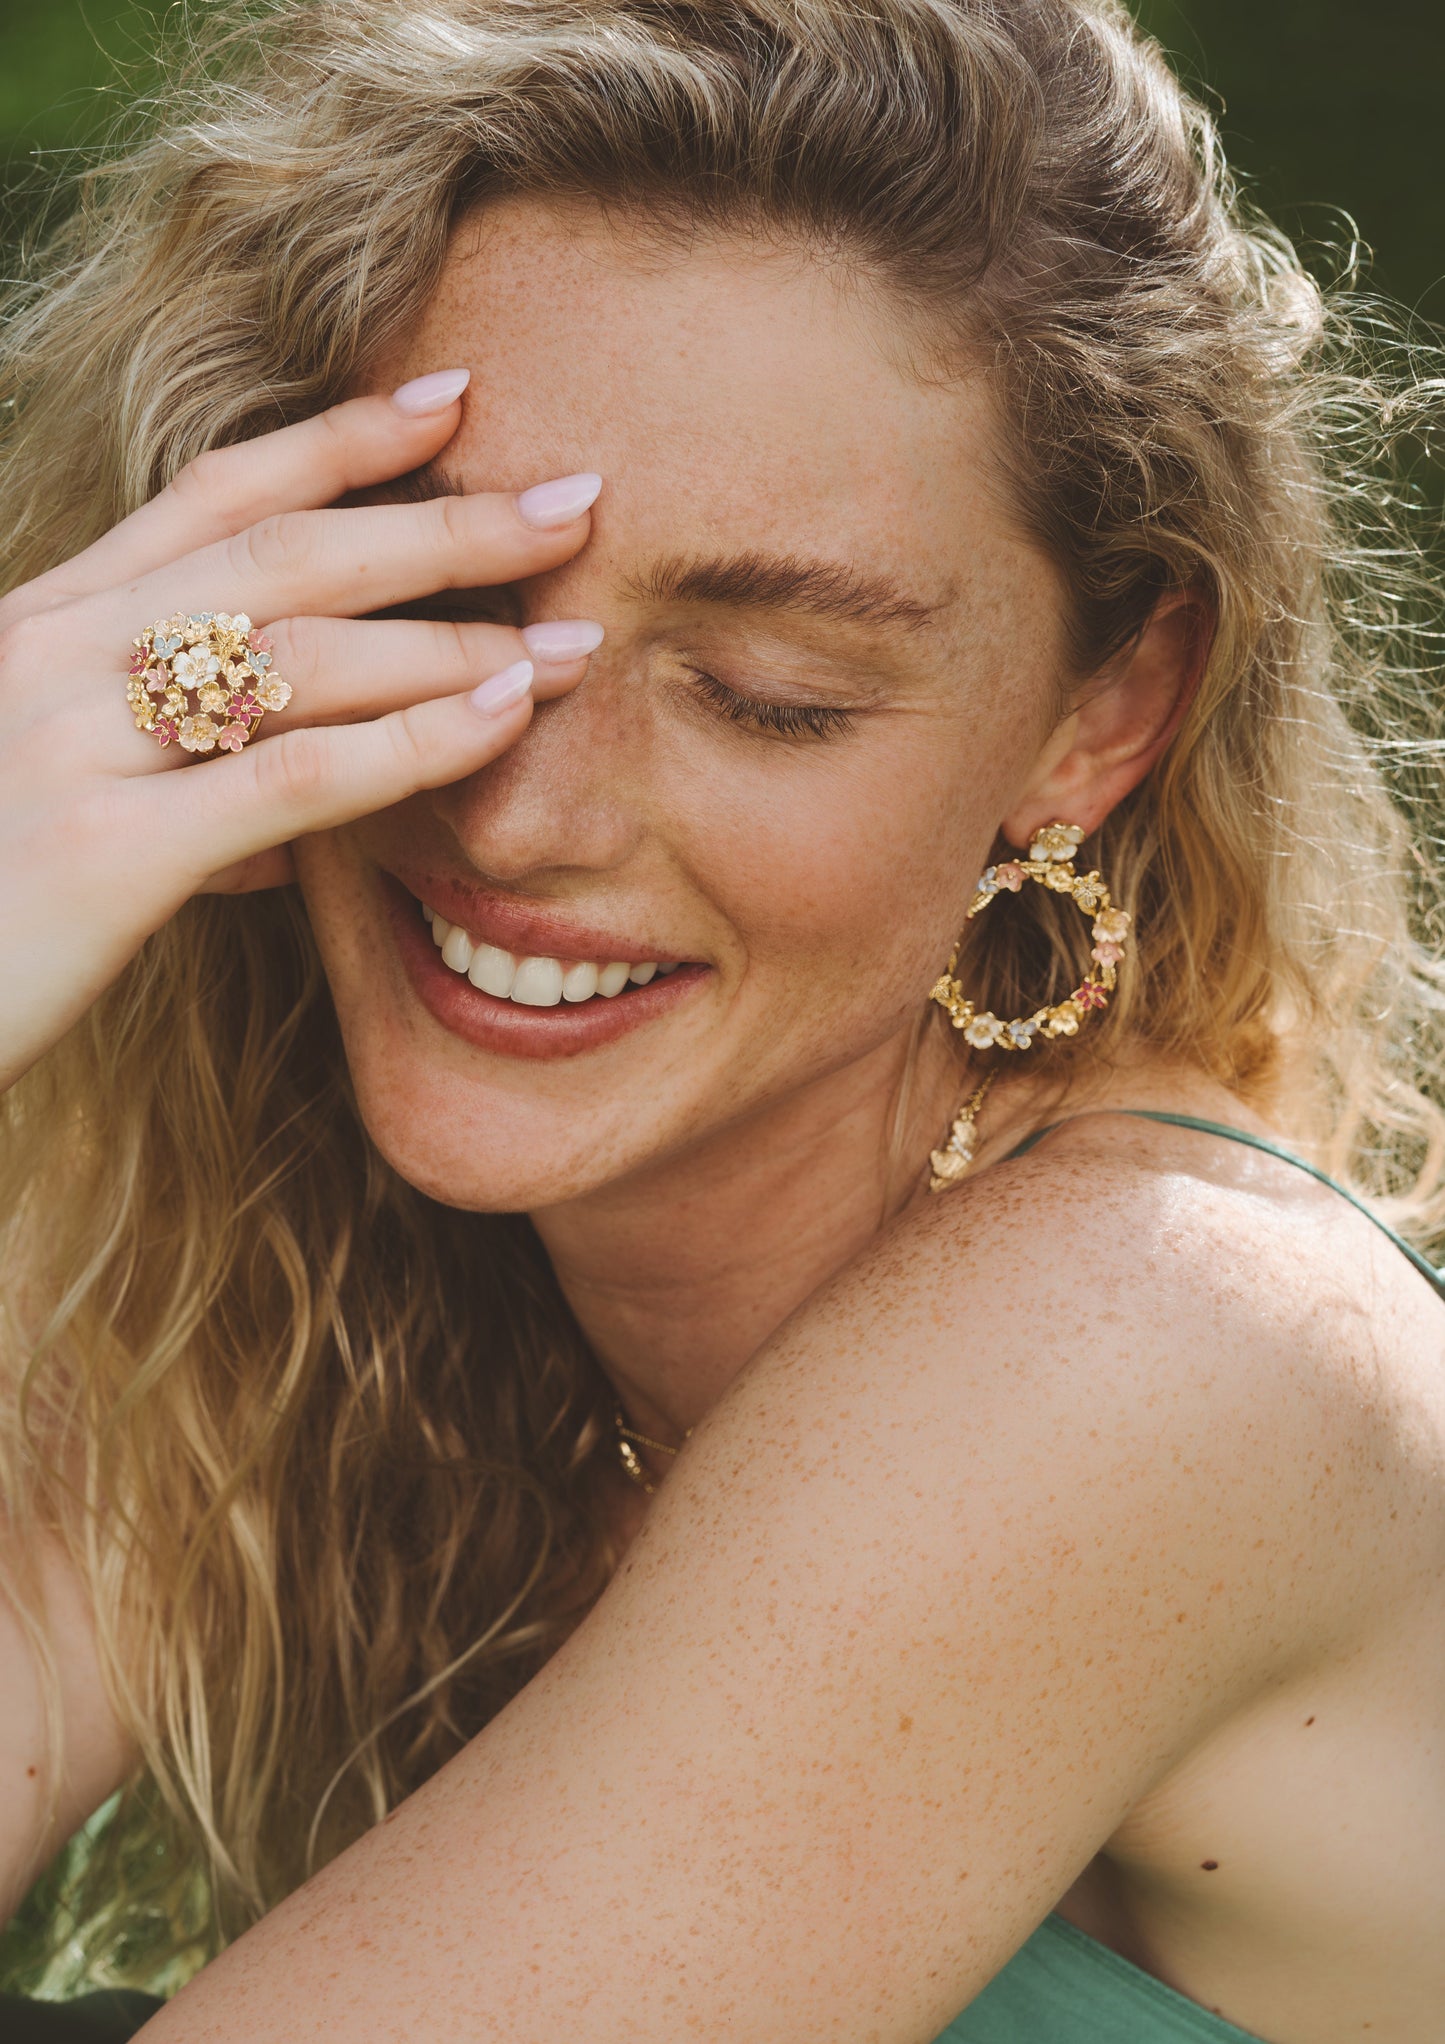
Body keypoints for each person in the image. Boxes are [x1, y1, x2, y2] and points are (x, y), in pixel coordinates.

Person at [1, 1, 1442, 2038]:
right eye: (443, 617)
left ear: (1101, 714)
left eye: (769, 686)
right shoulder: (301, 1293)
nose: (516, 812)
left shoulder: (1155, 1339)